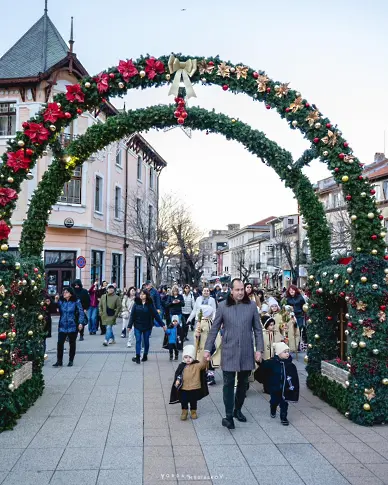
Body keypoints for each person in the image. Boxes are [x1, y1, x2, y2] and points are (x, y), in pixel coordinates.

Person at [204, 278, 264, 430]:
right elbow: (214, 328)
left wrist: (259, 350)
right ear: (231, 291)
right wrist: (207, 349)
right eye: (237, 290)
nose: (240, 292)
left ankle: (238, 409)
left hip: (246, 351)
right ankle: (229, 415)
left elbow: (258, 329)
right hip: (229, 350)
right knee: (228, 384)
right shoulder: (223, 306)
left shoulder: (251, 306)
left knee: (243, 384)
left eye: (242, 289)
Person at [261, 342, 299, 426]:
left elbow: (293, 377)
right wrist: (260, 361)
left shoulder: (290, 364)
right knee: (274, 401)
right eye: (285, 352)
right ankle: (273, 408)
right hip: (275, 388)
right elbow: (264, 366)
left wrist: (292, 387)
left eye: (288, 351)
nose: (287, 354)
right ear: (278, 353)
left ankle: (283, 417)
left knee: (284, 403)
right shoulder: (272, 363)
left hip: (285, 389)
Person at [169, 344, 209, 421]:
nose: (188, 359)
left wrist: (205, 359)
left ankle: (193, 411)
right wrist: (177, 381)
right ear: (183, 357)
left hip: (194, 387)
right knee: (183, 400)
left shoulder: (197, 365)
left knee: (193, 400)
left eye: (190, 357)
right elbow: (178, 375)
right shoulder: (181, 366)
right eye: (186, 357)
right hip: (183, 387)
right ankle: (184, 411)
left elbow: (203, 365)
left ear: (193, 358)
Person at [128, 289, 166, 364]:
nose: (141, 295)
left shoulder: (150, 304)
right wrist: (129, 326)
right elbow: (132, 315)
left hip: (147, 326)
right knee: (138, 340)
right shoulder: (136, 303)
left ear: (146, 295)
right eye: (140, 294)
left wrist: (163, 325)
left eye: (143, 294)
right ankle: (138, 357)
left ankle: (145, 354)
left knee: (146, 341)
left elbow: (156, 315)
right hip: (137, 325)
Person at [53, 287, 85, 367]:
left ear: (70, 293)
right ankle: (59, 361)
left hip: (72, 325)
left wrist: (80, 323)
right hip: (62, 325)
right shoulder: (61, 302)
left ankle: (71, 360)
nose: (64, 293)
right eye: (64, 292)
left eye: (66, 292)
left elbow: (81, 312)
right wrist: (56, 301)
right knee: (60, 343)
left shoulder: (76, 301)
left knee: (72, 343)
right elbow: (54, 308)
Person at [195, 304, 221, 386]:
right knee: (203, 361)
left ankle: (210, 376)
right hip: (203, 345)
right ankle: (203, 376)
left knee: (211, 361)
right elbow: (197, 333)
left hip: (211, 345)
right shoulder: (201, 322)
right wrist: (197, 335)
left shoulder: (211, 321)